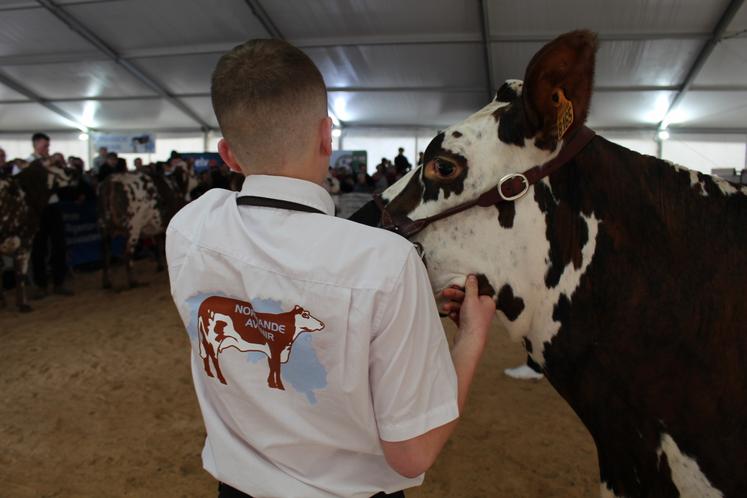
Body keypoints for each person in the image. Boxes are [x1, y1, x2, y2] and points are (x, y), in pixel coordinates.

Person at [166, 39, 495, 498]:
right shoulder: (386, 263)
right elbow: (413, 453)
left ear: (227, 155)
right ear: (327, 136)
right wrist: (473, 338)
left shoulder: (189, 227)